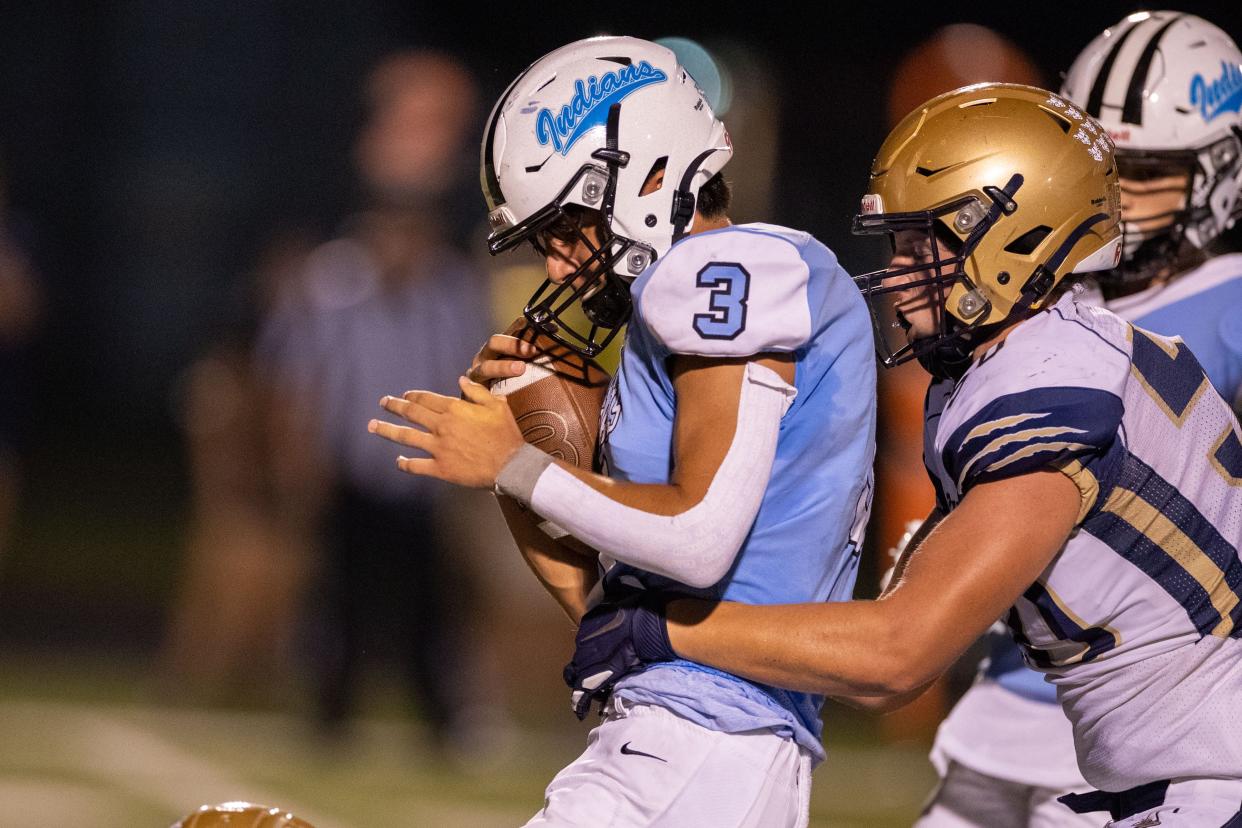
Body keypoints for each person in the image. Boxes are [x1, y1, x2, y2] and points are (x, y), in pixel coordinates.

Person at [564, 82, 1242, 828]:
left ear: (1020, 238)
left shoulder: (1049, 386)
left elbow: (896, 655)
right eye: (899, 244)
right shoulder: (1046, 354)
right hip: (1166, 780)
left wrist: (661, 628)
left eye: (927, 244)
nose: (902, 275)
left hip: (1210, 782)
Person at [369, 36, 876, 827]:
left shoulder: (728, 270)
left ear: (645, 176)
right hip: (694, 738)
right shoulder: (675, 318)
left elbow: (701, 535)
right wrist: (518, 443)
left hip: (701, 745)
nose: (561, 269)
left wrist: (510, 464)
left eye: (567, 231)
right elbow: (604, 606)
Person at [913, 12, 1242, 827]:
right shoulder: (1041, 295)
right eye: (1103, 165)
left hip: (1174, 693)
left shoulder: (1230, 301)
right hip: (1040, 673)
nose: (1118, 196)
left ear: (1219, 173)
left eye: (1147, 170)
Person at [256, 50, 493, 750]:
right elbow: (296, 380)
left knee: (431, 608)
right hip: (351, 472)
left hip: (424, 476)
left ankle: (445, 719)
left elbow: (472, 379)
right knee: (339, 604)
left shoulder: (452, 289)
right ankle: (329, 714)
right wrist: (297, 463)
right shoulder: (330, 283)